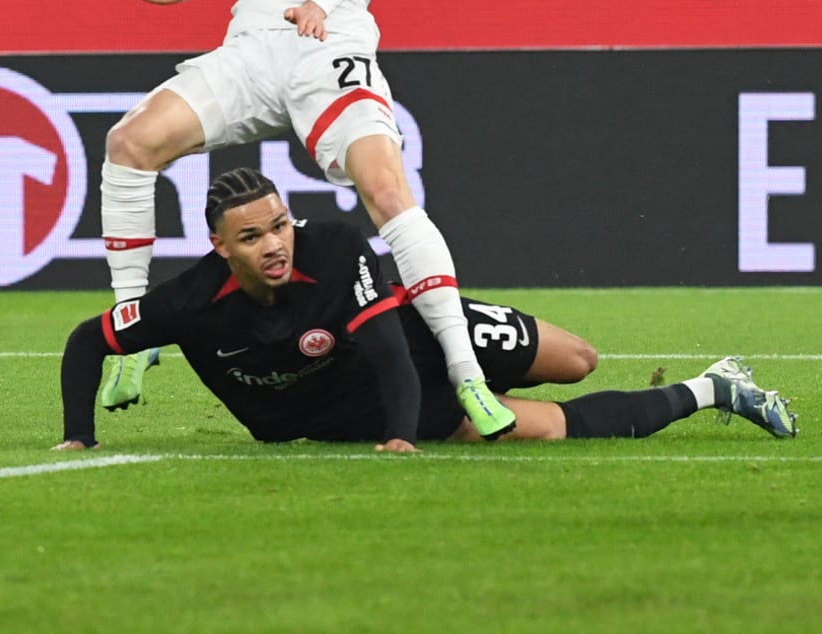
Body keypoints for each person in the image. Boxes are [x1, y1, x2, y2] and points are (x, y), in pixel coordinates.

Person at [54, 168, 798, 451]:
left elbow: (385, 348)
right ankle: (711, 387)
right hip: (343, 408)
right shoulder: (188, 303)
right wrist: (78, 438)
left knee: (577, 361)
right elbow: (89, 341)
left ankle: (478, 378)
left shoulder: (335, 247)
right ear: (220, 247)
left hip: (403, 331)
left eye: (279, 224)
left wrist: (404, 437)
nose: (276, 245)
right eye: (252, 237)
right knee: (543, 431)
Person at [98, 0, 517, 439]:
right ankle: (134, 329)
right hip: (253, 46)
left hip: (329, 42)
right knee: (129, 143)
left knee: (387, 191)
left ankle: (467, 375)